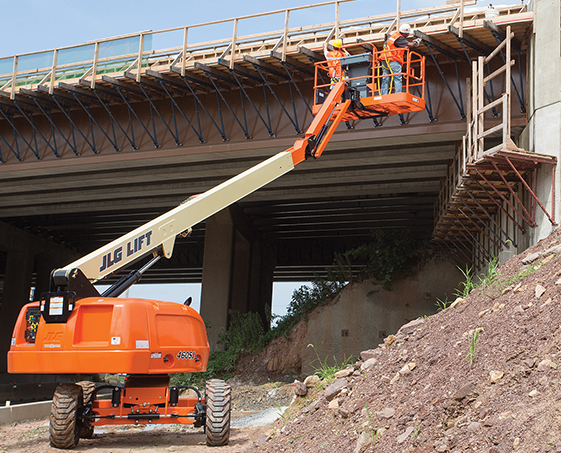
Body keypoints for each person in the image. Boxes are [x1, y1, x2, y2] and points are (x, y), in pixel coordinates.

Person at [381, 23, 421, 95]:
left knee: (385, 77)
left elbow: (402, 47)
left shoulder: (394, 36)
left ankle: (383, 94)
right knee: (397, 78)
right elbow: (411, 45)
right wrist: (416, 42)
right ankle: (398, 94)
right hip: (393, 60)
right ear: (405, 33)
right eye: (408, 34)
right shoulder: (399, 38)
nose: (408, 35)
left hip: (385, 59)